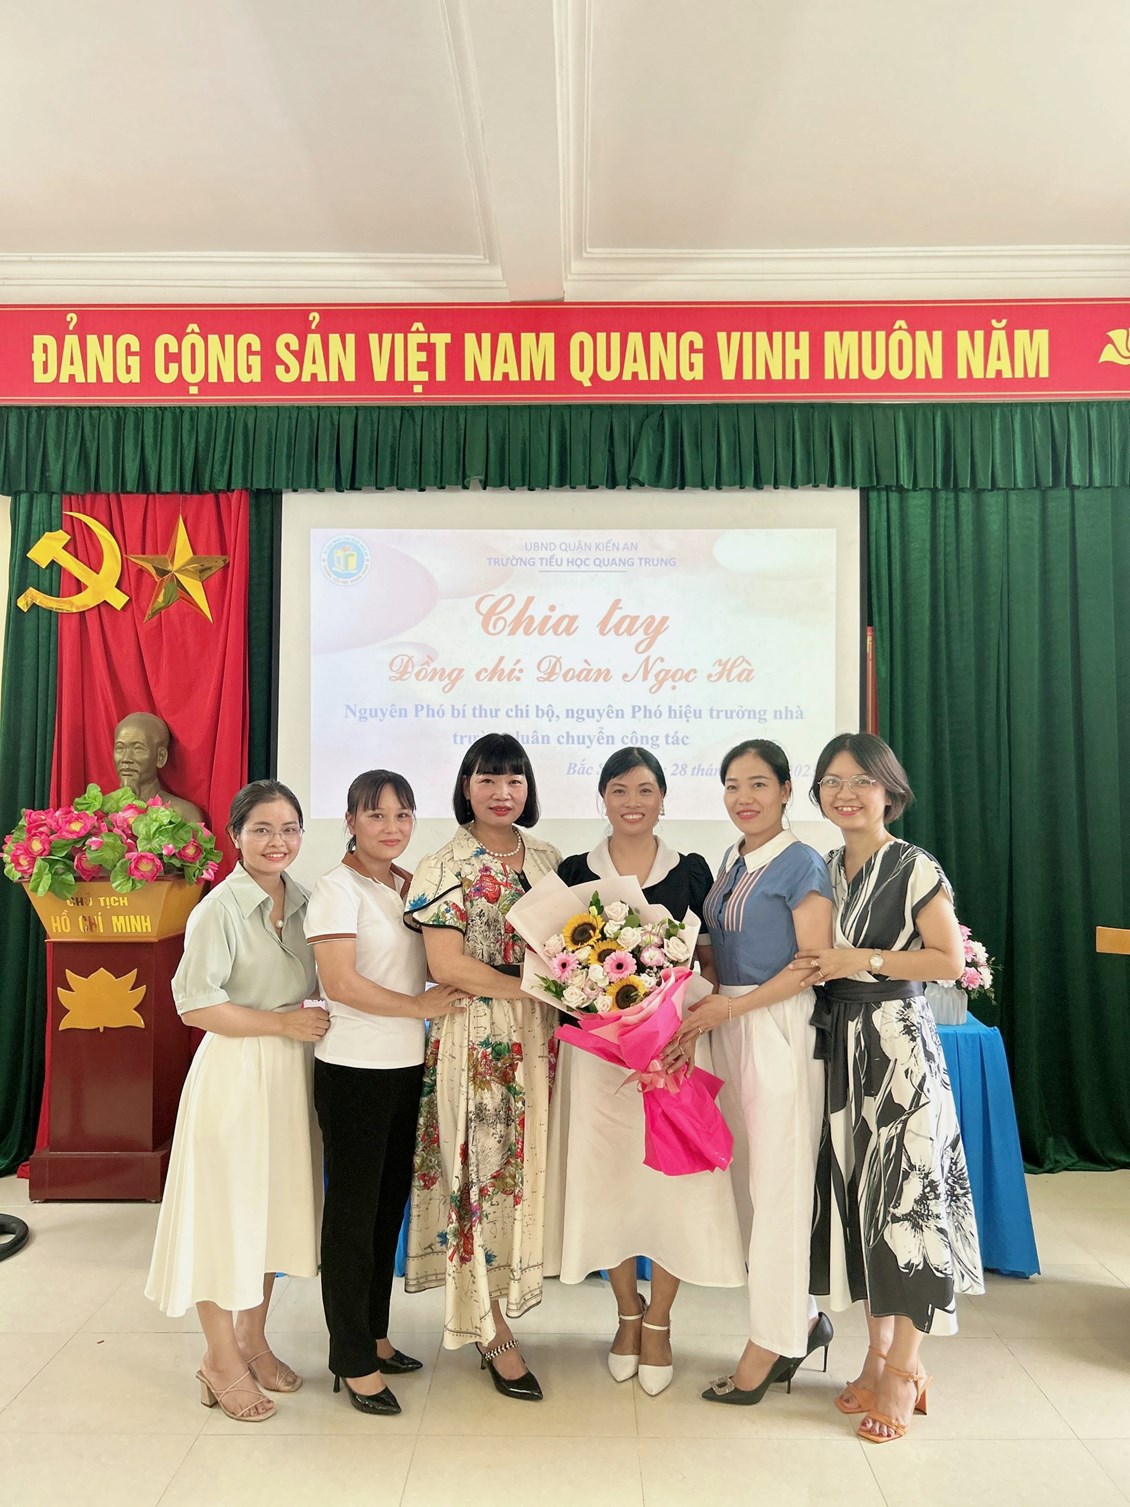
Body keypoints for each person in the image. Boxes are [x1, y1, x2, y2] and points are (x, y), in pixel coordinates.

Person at [793, 732, 983, 1445]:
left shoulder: (913, 864)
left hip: (897, 1045)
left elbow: (947, 960)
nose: (846, 794)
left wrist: (862, 958)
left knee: (909, 1204)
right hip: (839, 1048)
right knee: (861, 1206)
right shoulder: (823, 867)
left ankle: (905, 1368)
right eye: (832, 782)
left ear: (889, 791)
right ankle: (876, 1356)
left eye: (861, 781)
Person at [556, 747, 745, 1395]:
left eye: (644, 789)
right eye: (618, 789)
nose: (631, 801)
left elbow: (710, 964)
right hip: (599, 1062)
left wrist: (685, 1028)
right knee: (608, 1182)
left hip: (673, 1054)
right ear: (602, 798)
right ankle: (626, 1313)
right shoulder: (573, 871)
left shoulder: (691, 871)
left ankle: (660, 1319)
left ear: (663, 798)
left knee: (674, 1189)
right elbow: (556, 965)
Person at [145, 780, 326, 1423]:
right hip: (235, 1075)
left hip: (291, 1075)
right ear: (235, 837)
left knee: (271, 1211)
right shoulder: (216, 909)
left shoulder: (306, 902)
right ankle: (219, 1360)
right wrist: (281, 1023)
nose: (278, 842)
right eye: (262, 830)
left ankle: (253, 1340)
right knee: (226, 1217)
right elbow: (195, 1005)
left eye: (289, 829)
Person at [666, 739, 835, 1405]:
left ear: (787, 790)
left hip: (777, 1026)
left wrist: (730, 1007)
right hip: (730, 1023)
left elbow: (812, 963)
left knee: (780, 1187)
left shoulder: (802, 862)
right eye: (733, 784)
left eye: (759, 783)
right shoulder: (733, 859)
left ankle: (771, 1342)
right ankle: (803, 1319)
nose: (744, 797)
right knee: (750, 1187)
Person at [404, 734, 561, 1400]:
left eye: (514, 779)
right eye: (488, 779)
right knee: (480, 1174)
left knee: (522, 1176)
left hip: (540, 1037)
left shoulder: (548, 858)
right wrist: (534, 988)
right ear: (466, 786)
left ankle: (504, 1300)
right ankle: (488, 1327)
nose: (502, 792)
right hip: (476, 1037)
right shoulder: (443, 864)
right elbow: (446, 964)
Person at [305, 769, 467, 1416]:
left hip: (405, 1068)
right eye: (376, 815)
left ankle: (374, 1335)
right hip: (353, 1070)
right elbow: (340, 983)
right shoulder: (336, 889)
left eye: (402, 814)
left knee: (384, 1214)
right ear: (350, 821)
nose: (391, 827)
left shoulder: (406, 884)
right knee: (351, 1219)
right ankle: (351, 1360)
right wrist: (419, 1006)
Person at [112, 712, 205, 823]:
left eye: (138, 749)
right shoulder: (100, 813)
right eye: (120, 748)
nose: (126, 758)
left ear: (161, 757)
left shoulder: (183, 815)